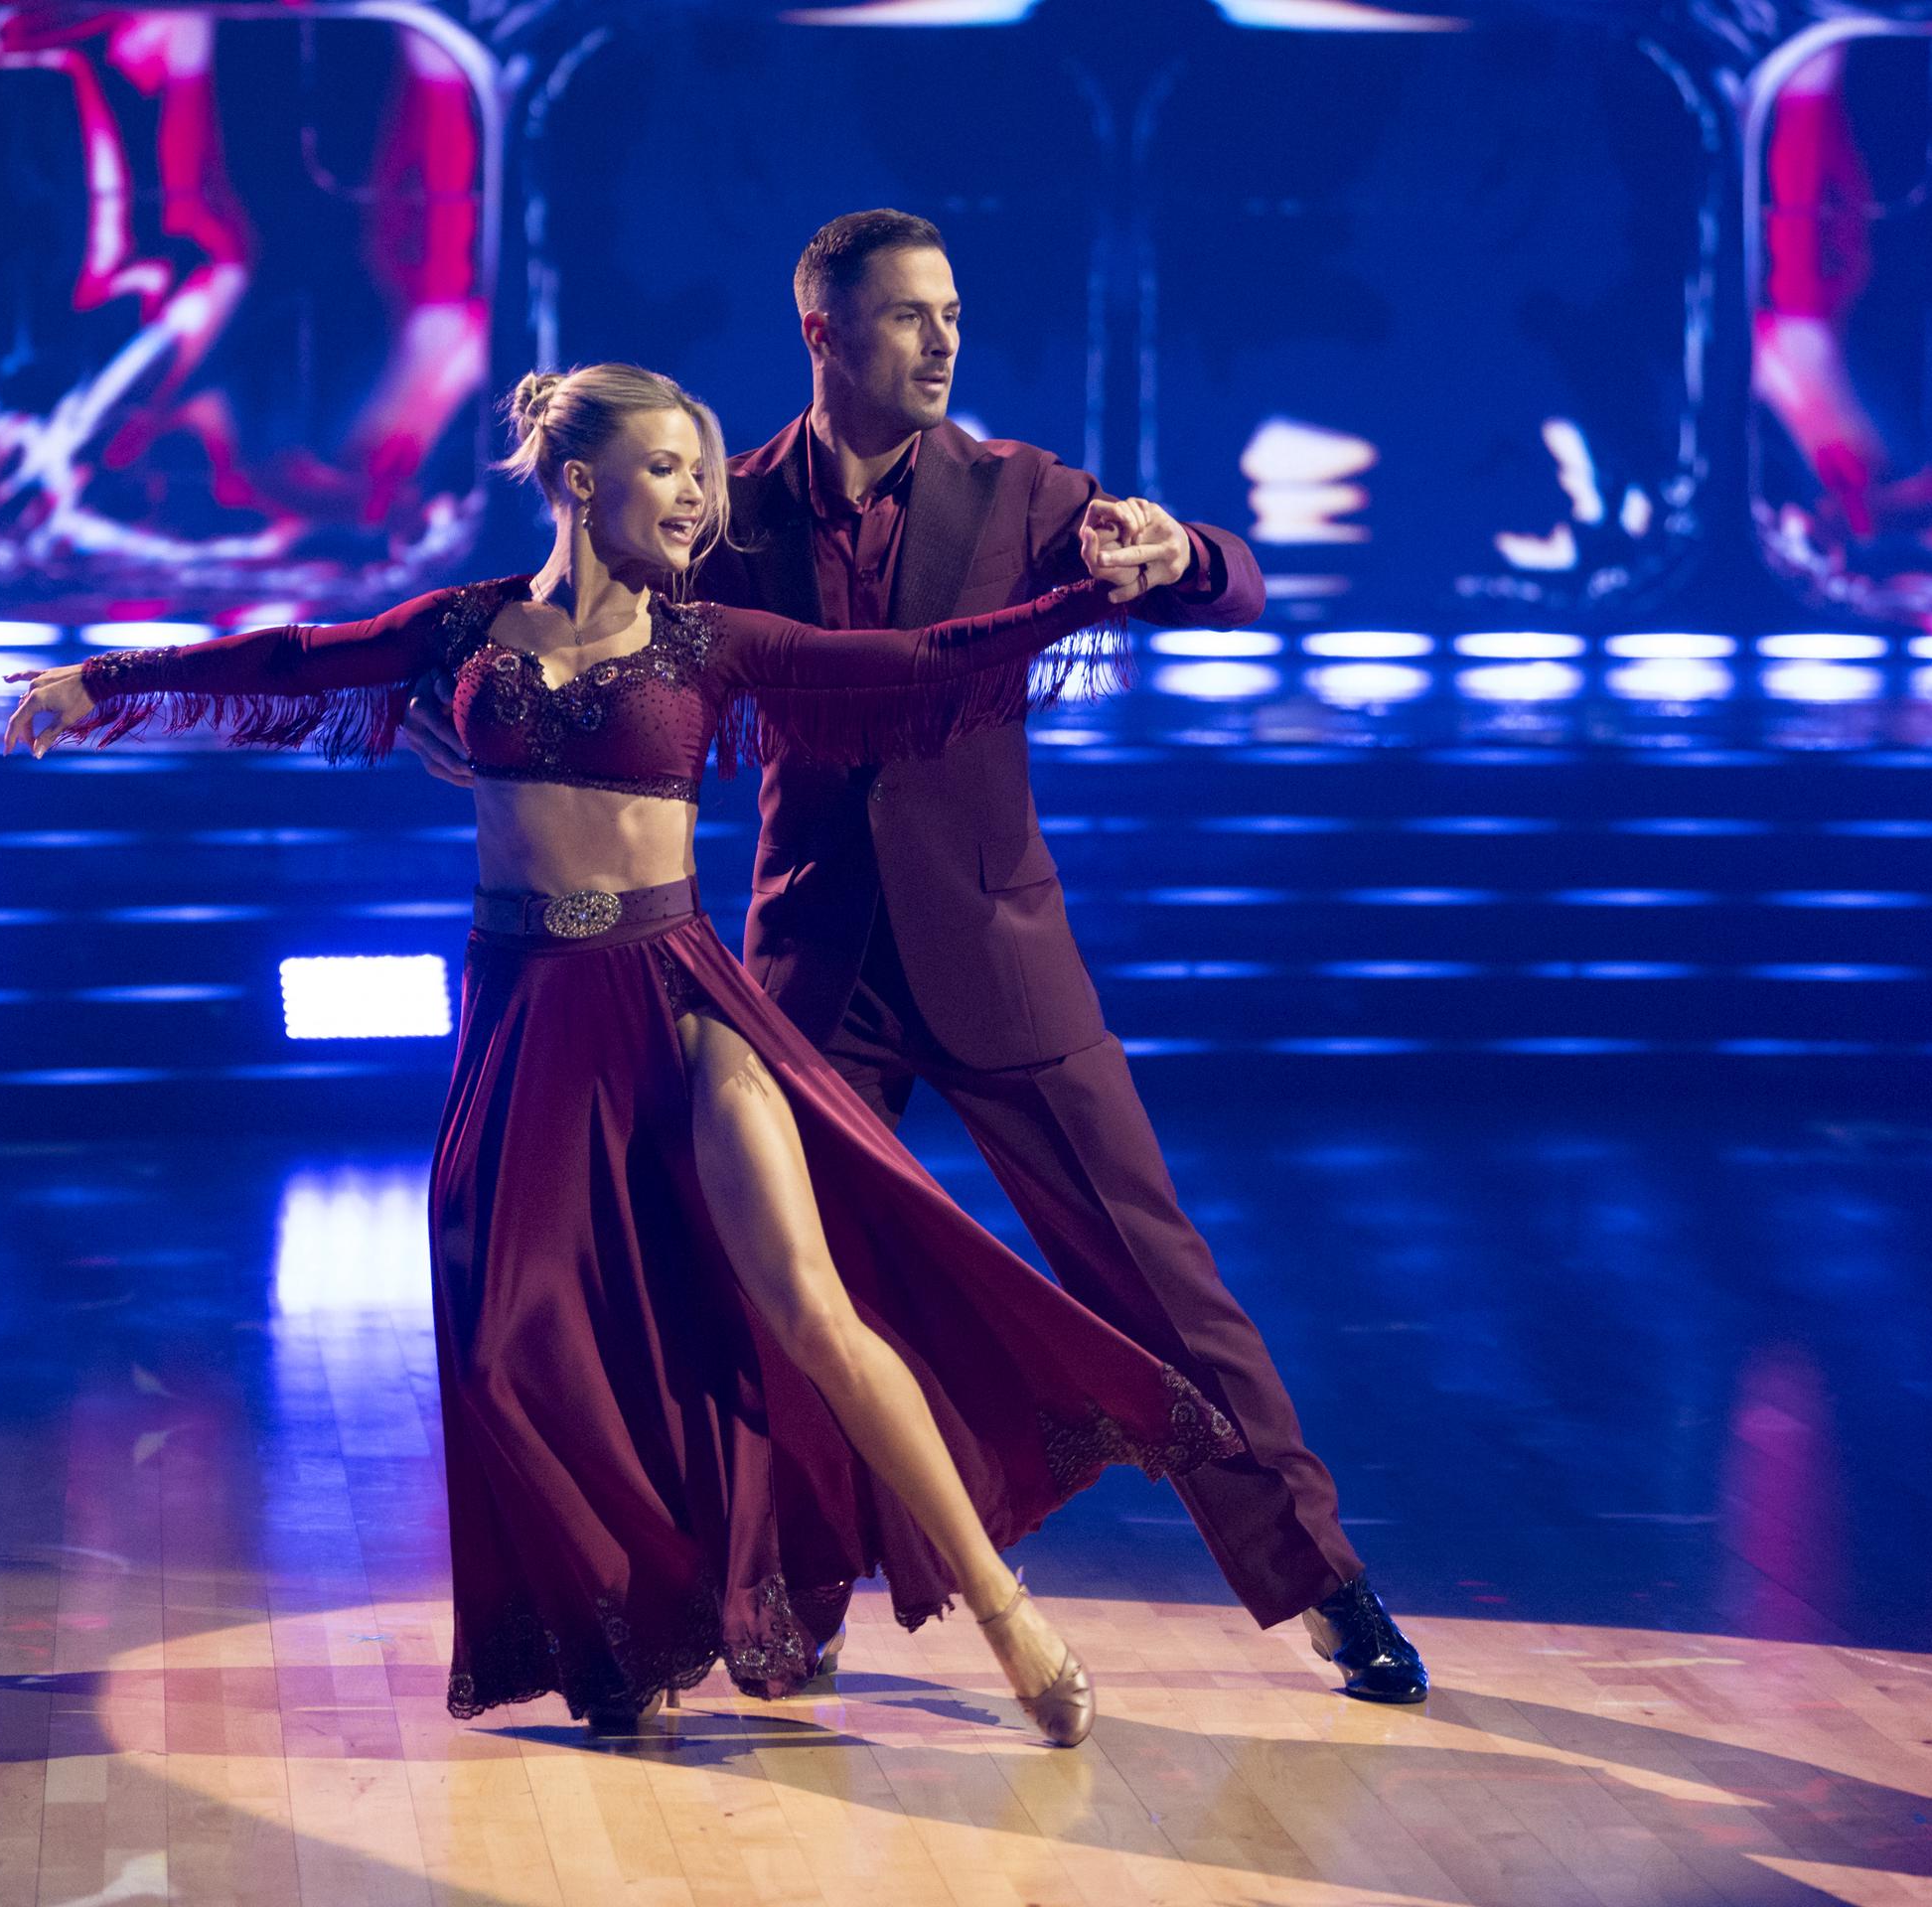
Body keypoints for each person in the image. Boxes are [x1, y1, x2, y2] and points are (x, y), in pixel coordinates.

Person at [4, 362, 1250, 1744]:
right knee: (503, 1349)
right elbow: (301, 660)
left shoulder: (713, 640)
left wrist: (1093, 598)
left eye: (707, 476)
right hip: (526, 1017)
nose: (700, 499)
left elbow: (925, 668)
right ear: (582, 480)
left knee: (814, 1309)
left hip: (678, 1006)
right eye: (669, 470)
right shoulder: (469, 629)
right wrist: (101, 682)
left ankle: (1012, 1624)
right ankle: (632, 1618)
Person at [402, 212, 1429, 1703]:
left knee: (1162, 1286)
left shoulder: (1018, 492)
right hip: (811, 976)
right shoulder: (719, 503)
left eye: (951, 314)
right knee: (771, 1292)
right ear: (822, 334)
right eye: (906, 318)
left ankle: (1325, 1583)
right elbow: (558, 634)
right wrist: (480, 732)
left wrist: (1176, 549)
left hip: (1004, 962)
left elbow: (1234, 586)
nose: (943, 340)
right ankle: (793, 1597)